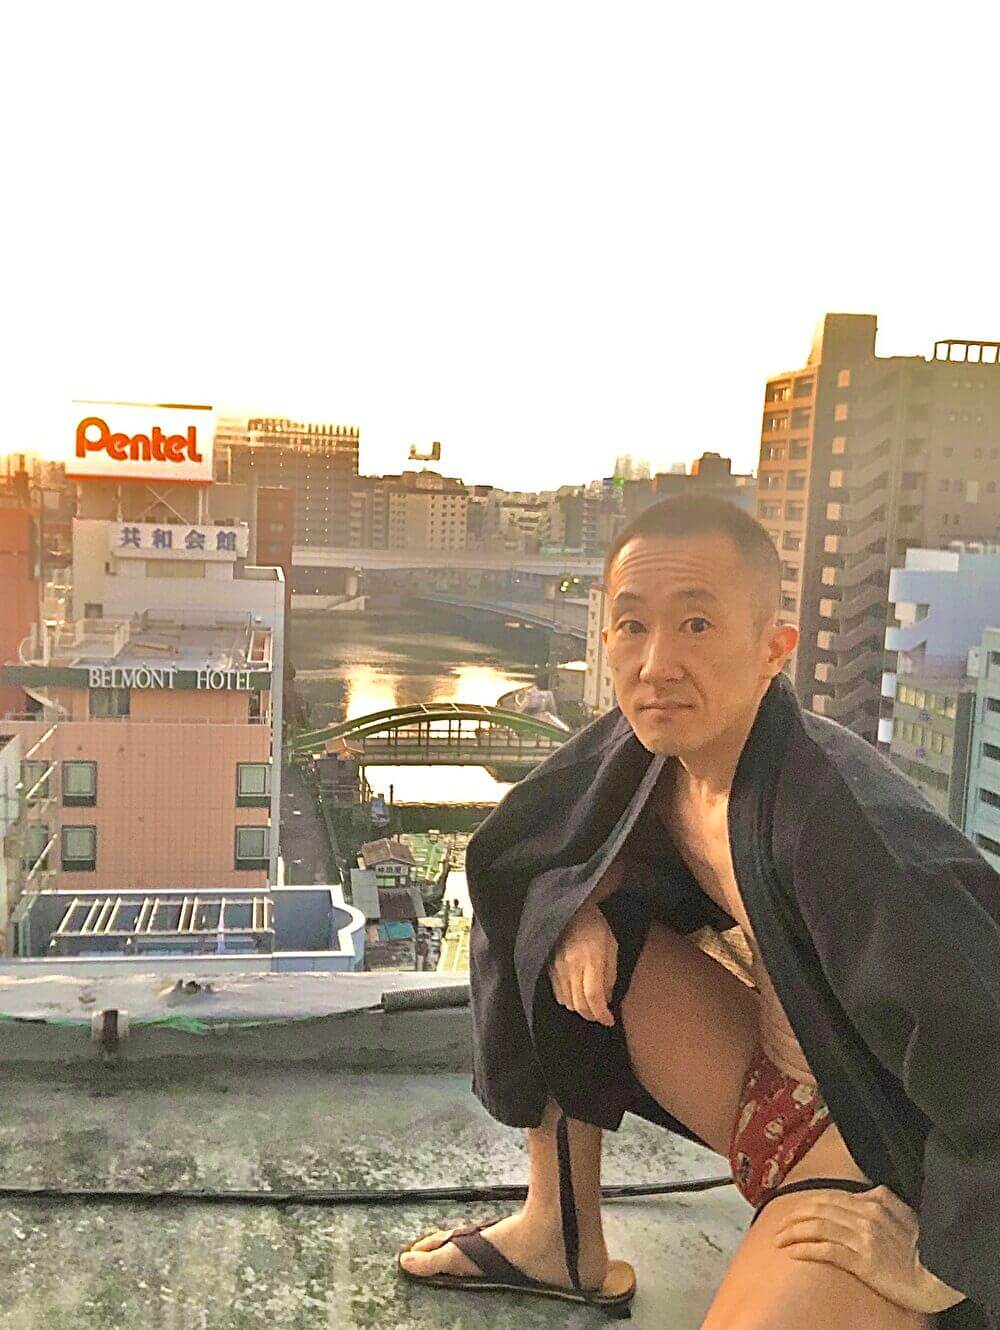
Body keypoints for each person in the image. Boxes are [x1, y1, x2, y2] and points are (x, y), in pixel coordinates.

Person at [397, 496, 1000, 1328]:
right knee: (550, 918)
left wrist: (947, 1259)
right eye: (632, 625)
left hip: (871, 1145)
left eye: (697, 626)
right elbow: (522, 847)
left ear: (772, 650)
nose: (657, 664)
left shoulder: (844, 824)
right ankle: (558, 1236)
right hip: (763, 1087)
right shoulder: (651, 749)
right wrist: (581, 910)